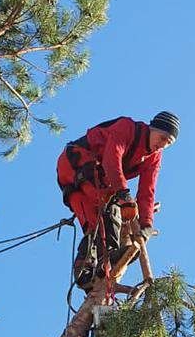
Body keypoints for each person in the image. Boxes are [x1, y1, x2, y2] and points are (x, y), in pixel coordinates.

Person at [56, 111, 180, 290]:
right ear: (153, 128)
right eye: (162, 137)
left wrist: (146, 225)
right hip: (77, 162)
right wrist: (122, 193)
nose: (162, 145)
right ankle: (109, 254)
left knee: (94, 224)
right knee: (110, 205)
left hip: (82, 184)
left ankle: (87, 271)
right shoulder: (127, 128)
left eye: (168, 143)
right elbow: (111, 159)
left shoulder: (154, 157)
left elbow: (147, 191)